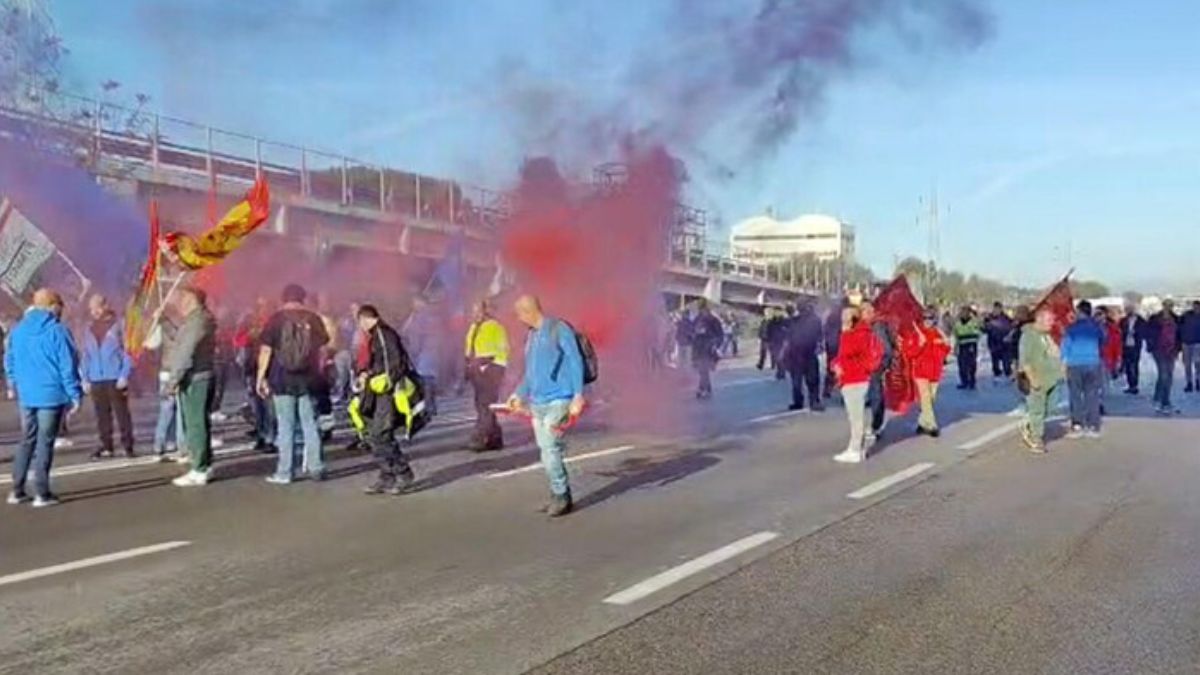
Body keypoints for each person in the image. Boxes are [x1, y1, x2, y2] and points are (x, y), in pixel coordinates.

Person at [505, 295, 586, 517]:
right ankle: (559, 493)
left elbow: (575, 360)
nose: (518, 318)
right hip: (537, 402)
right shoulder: (531, 336)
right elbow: (530, 374)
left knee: (550, 448)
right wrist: (518, 394)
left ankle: (560, 495)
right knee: (546, 450)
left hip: (560, 398)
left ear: (528, 311)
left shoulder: (558, 329)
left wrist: (578, 396)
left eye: (519, 313)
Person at [4, 289, 83, 507]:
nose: (61, 311)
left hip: (27, 395)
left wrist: (15, 382)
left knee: (26, 440)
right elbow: (67, 365)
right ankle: (42, 492)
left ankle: (17, 490)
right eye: (59, 306)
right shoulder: (58, 331)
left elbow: (8, 361)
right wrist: (75, 393)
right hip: (51, 394)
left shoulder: (18, 331)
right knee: (45, 443)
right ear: (52, 305)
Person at [257, 284, 330, 485]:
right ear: (303, 298)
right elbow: (323, 350)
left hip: (281, 378)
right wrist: (319, 371)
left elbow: (266, 350)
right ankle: (316, 467)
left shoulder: (276, 320)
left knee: (285, 425)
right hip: (308, 379)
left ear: (283, 298)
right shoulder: (313, 319)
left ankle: (285, 472)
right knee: (310, 423)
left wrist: (261, 377)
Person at [358, 304, 419, 496]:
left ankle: (403, 472)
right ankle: (386, 475)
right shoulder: (376, 336)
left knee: (380, 433)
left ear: (369, 319)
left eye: (361, 320)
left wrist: (386, 380)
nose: (360, 325)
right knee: (374, 434)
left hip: (388, 392)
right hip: (376, 391)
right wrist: (366, 374)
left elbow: (395, 363)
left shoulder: (384, 335)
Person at [164, 287, 218, 487]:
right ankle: (204, 463)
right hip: (197, 376)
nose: (179, 302)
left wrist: (173, 380)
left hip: (196, 378)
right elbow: (180, 339)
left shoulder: (198, 321)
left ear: (192, 300)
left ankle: (199, 468)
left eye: (182, 298)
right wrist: (165, 323)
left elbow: (185, 352)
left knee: (195, 424)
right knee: (196, 422)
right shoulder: (197, 320)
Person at [80, 294, 135, 460]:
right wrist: (84, 378)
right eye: (91, 309)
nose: (94, 311)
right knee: (101, 415)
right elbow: (86, 355)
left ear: (105, 306)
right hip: (96, 378)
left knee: (121, 413)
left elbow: (128, 352)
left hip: (115, 376)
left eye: (97, 307)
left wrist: (124, 374)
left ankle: (128, 445)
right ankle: (106, 445)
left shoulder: (119, 326)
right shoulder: (88, 328)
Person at [830, 306, 881, 464]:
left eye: (846, 317)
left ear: (853, 319)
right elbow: (842, 357)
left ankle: (855, 449)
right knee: (856, 416)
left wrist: (845, 333)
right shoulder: (861, 333)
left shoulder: (855, 335)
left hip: (855, 379)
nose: (842, 320)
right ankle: (859, 448)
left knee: (856, 418)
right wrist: (835, 365)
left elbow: (846, 353)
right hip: (854, 378)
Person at [1019, 307, 1066, 453]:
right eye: (1049, 320)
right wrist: (1032, 378)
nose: (1052, 323)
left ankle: (1030, 423)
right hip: (1038, 378)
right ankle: (1036, 438)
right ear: (1039, 319)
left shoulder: (1046, 335)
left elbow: (1054, 353)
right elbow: (1025, 360)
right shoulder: (1029, 336)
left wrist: (1061, 367)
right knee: (1037, 410)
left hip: (1052, 378)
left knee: (1051, 408)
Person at [465, 299, 510, 452]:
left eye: (477, 310)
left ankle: (479, 438)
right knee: (482, 404)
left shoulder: (495, 326)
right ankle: (495, 438)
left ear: (486, 311)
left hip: (492, 370)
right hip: (477, 370)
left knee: (485, 405)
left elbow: (503, 349)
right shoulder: (474, 327)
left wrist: (488, 363)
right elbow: (470, 349)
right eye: (473, 310)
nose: (474, 314)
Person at [1061, 300, 1106, 439]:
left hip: (1075, 363)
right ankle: (1093, 425)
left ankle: (1077, 424)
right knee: (1092, 394)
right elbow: (1104, 340)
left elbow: (1065, 346)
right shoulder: (1096, 327)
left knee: (1075, 395)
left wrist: (1063, 362)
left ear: (1080, 312)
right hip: (1093, 362)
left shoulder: (1071, 328)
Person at [905, 309, 952, 437]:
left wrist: (945, 342)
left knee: (930, 400)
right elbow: (909, 353)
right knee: (925, 399)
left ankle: (922, 422)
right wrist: (920, 344)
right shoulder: (916, 334)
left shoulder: (937, 333)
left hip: (935, 372)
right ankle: (932, 425)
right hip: (921, 372)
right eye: (925, 318)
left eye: (930, 318)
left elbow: (945, 351)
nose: (927, 321)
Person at [859, 300, 893, 443]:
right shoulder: (863, 326)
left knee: (876, 395)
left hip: (874, 366)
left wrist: (881, 365)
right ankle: (870, 426)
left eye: (867, 311)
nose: (865, 314)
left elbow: (886, 349)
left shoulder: (877, 326)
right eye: (863, 311)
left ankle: (875, 426)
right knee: (870, 396)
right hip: (864, 366)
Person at [403, 295, 442, 417]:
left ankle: (428, 408)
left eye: (415, 302)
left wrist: (413, 353)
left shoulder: (418, 318)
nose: (413, 305)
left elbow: (414, 337)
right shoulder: (434, 316)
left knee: (425, 382)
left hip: (424, 354)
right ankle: (432, 407)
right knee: (430, 381)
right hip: (434, 352)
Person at [782, 300, 824, 412]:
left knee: (797, 380)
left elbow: (787, 337)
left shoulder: (794, 320)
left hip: (796, 353)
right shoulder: (815, 320)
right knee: (812, 379)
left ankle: (798, 402)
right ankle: (814, 401)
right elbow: (819, 336)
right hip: (808, 352)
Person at [1145, 299, 1182, 415]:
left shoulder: (1176, 319)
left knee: (1168, 375)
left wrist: (1178, 348)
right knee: (1164, 374)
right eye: (1166, 305)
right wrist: (1151, 346)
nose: (1168, 307)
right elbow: (1148, 333)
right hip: (1158, 349)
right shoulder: (1155, 319)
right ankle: (1165, 402)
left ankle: (1160, 397)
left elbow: (1179, 334)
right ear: (1163, 306)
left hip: (1172, 350)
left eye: (1170, 305)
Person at [690, 299, 725, 399]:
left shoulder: (713, 320)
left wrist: (716, 345)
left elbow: (720, 335)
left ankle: (702, 389)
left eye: (703, 308)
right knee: (702, 371)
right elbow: (692, 332)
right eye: (700, 308)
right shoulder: (698, 319)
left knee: (703, 370)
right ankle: (707, 389)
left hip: (708, 348)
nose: (702, 311)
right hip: (699, 348)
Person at [952, 306, 983, 390]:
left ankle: (972, 381)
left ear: (969, 313)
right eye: (962, 312)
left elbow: (979, 333)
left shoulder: (974, 322)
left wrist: (973, 338)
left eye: (966, 312)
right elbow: (955, 335)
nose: (964, 314)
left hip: (971, 345)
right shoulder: (957, 323)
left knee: (971, 364)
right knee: (961, 364)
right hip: (961, 346)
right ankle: (964, 382)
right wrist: (955, 346)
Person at [984, 302, 1014, 383]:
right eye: (995, 308)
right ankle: (997, 374)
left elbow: (1012, 327)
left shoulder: (1006, 318)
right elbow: (984, 329)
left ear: (1001, 309)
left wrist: (1009, 336)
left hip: (1005, 343)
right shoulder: (989, 318)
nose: (996, 310)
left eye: (998, 309)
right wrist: (986, 326)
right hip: (993, 342)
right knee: (995, 360)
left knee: (1006, 361)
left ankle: (1008, 373)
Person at [1119, 303, 1146, 395]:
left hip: (1135, 346)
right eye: (1127, 310)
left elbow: (1143, 332)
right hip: (1125, 345)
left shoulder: (1140, 321)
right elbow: (1119, 332)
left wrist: (1136, 333)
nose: (1128, 311)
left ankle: (1134, 385)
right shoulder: (1123, 321)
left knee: (1134, 365)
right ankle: (1130, 384)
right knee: (1127, 366)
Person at [822, 300, 843, 399]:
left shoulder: (831, 316)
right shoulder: (846, 315)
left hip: (831, 345)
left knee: (831, 368)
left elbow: (826, 329)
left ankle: (827, 389)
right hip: (841, 344)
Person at [1180, 300, 1200, 393]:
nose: (1196, 308)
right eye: (1194, 306)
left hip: (1197, 343)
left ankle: (1198, 381)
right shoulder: (1186, 315)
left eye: (1197, 307)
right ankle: (1189, 383)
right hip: (1186, 343)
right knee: (1187, 365)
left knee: (1198, 364)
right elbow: (1179, 325)